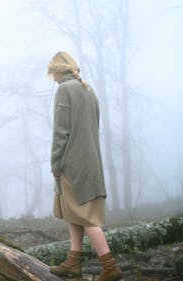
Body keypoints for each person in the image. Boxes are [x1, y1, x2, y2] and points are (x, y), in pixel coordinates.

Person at [47, 51, 123, 281]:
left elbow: (61, 132)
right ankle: (74, 262)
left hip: (72, 163)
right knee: (75, 214)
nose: (53, 78)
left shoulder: (64, 90)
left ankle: (110, 267)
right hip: (90, 161)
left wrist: (55, 162)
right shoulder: (89, 91)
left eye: (53, 74)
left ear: (59, 70)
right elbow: (94, 126)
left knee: (86, 217)